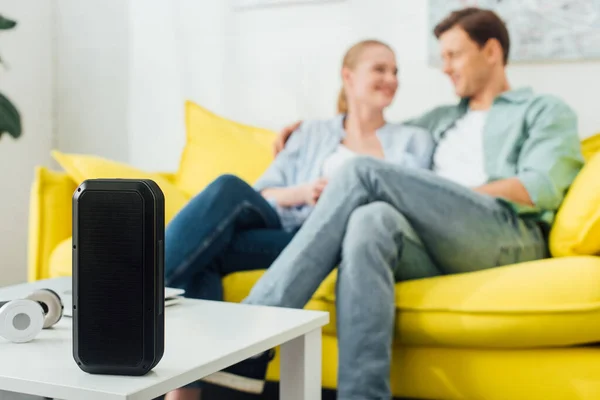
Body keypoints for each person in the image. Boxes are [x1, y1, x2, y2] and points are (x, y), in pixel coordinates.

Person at [202, 7, 585, 400]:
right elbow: (366, 125)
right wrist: (307, 132)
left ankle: (255, 326)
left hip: (505, 235)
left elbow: (541, 186)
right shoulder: (438, 121)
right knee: (371, 221)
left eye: (453, 55)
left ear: (490, 51)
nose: (446, 67)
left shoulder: (543, 110)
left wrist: (448, 198)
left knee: (363, 172)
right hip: (441, 242)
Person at [164, 39, 435, 400]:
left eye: (395, 71)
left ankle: (175, 372)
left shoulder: (414, 140)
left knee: (205, 254)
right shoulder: (310, 133)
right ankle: (149, 285)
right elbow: (264, 195)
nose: (391, 78)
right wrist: (304, 192)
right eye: (380, 69)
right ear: (348, 76)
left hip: (343, 238)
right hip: (287, 232)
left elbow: (414, 203)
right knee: (226, 190)